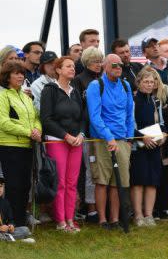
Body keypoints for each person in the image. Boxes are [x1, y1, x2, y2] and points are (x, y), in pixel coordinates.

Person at [87, 54, 135, 229]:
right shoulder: (96, 86)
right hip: (102, 139)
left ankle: (115, 219)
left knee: (119, 182)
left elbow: (130, 113)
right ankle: (102, 220)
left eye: (120, 65)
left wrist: (129, 138)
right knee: (102, 181)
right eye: (114, 65)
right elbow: (95, 116)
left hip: (122, 140)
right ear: (105, 66)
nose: (118, 67)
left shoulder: (126, 85)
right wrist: (109, 137)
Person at [40, 56, 85, 233]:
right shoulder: (49, 90)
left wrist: (81, 134)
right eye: (68, 66)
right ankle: (60, 221)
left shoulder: (75, 91)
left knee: (72, 182)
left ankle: (70, 219)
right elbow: (46, 119)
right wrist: (66, 136)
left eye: (73, 66)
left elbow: (82, 117)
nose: (72, 69)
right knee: (60, 183)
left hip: (76, 142)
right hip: (58, 140)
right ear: (58, 70)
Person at [0, 62, 42, 227]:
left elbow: (36, 118)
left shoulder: (26, 96)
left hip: (26, 147)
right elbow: (3, 122)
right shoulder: (3, 96)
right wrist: (28, 132)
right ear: (7, 76)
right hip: (8, 147)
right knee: (13, 187)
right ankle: (11, 224)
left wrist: (37, 130)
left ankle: (20, 223)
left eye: (22, 73)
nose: (20, 76)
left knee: (25, 187)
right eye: (16, 73)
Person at [131, 68, 168, 227]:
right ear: (138, 83)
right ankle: (138, 216)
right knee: (139, 181)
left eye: (152, 82)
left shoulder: (156, 101)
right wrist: (141, 137)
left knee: (152, 181)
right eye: (145, 81)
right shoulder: (132, 100)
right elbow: (129, 124)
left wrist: (164, 134)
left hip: (154, 144)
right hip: (138, 146)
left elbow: (162, 123)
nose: (149, 84)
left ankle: (149, 215)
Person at [71, 46, 104, 223]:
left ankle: (103, 207)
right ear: (85, 62)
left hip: (105, 132)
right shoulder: (78, 80)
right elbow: (78, 107)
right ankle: (91, 209)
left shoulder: (104, 79)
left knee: (104, 172)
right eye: (94, 61)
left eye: (100, 61)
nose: (98, 65)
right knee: (90, 173)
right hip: (88, 132)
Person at [0, 173, 35, 243]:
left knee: (25, 229)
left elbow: (11, 219)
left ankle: (7, 237)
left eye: (1, 186)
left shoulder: (5, 203)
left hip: (5, 231)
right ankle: (16, 239)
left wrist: (11, 226)